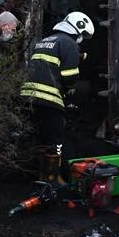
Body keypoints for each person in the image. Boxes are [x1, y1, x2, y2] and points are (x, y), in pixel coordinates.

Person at [20, 11, 94, 183]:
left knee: (40, 138)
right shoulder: (69, 43)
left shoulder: (46, 40)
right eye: (82, 35)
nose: (81, 39)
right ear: (78, 28)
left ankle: (38, 176)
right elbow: (69, 77)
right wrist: (71, 90)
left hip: (29, 97)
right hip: (49, 99)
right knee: (55, 141)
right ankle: (53, 180)